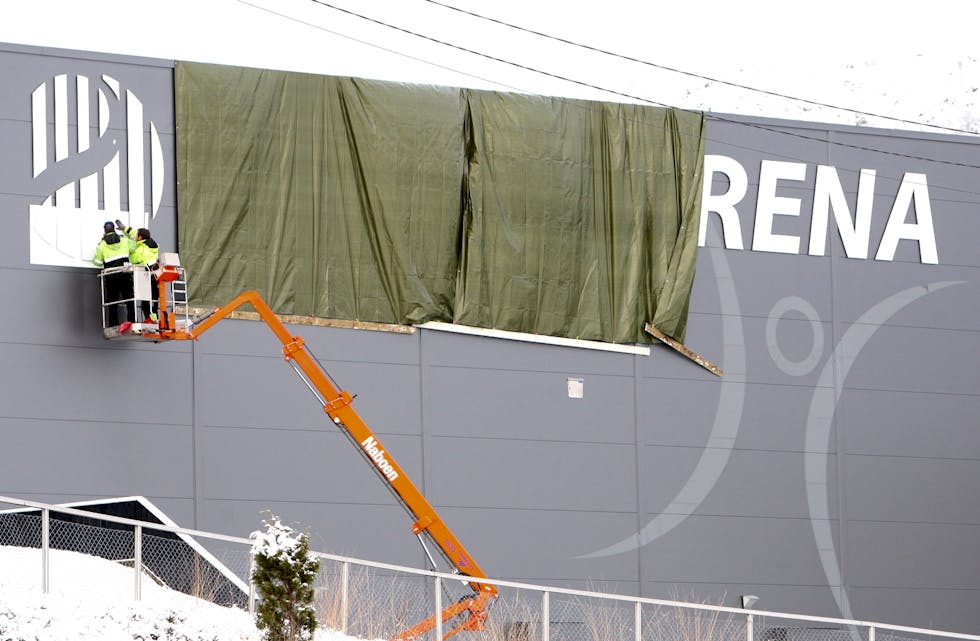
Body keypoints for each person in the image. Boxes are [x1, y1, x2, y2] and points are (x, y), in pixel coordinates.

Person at [116, 220, 160, 323]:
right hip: (152, 276)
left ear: (140, 237)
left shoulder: (141, 249)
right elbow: (134, 234)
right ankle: (152, 319)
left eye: (137, 235)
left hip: (148, 277)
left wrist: (126, 247)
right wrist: (125, 229)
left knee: (147, 301)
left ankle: (152, 320)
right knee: (152, 301)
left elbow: (134, 259)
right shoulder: (149, 243)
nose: (135, 236)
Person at [92, 221, 134, 326]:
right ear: (114, 229)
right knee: (129, 299)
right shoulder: (124, 240)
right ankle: (132, 321)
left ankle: (113, 323)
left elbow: (97, 263)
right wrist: (126, 232)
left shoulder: (101, 245)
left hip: (111, 276)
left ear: (105, 230)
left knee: (112, 302)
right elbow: (134, 247)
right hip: (125, 273)